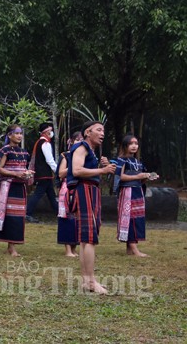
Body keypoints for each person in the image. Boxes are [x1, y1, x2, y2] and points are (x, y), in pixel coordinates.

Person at [69, 120, 116, 294]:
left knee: (86, 238)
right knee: (89, 237)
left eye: (103, 130)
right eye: (99, 130)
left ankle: (87, 280)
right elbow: (77, 170)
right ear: (88, 132)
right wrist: (102, 171)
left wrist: (101, 167)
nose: (102, 133)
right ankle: (90, 282)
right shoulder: (82, 147)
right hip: (85, 190)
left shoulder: (91, 151)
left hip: (91, 191)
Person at [113, 134, 156, 257]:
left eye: (136, 143)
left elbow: (140, 179)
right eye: (131, 143)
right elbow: (120, 177)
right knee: (129, 218)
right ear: (125, 146)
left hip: (137, 191)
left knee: (137, 218)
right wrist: (138, 176)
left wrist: (147, 177)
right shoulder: (121, 160)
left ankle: (130, 249)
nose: (134, 146)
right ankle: (135, 249)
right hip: (127, 192)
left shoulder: (138, 162)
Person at [0, 124, 34, 257]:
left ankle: (11, 246)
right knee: (10, 216)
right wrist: (16, 174)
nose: (19, 136)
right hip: (9, 187)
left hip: (20, 187)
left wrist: (27, 173)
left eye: (20, 133)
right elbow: (0, 168)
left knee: (19, 216)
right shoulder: (5, 151)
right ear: (9, 135)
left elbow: (25, 168)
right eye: (16, 133)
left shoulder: (24, 152)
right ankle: (12, 247)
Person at [56, 131, 82, 257]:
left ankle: (74, 248)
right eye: (78, 139)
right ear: (71, 141)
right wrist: (73, 166)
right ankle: (67, 250)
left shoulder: (85, 155)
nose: (80, 142)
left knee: (78, 219)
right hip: (68, 188)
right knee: (67, 218)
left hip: (80, 188)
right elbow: (60, 173)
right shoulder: (66, 156)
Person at [26, 122, 58, 223]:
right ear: (46, 131)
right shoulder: (45, 143)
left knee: (51, 195)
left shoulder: (39, 142)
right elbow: (50, 160)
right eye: (50, 130)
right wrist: (58, 171)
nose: (52, 132)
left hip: (43, 174)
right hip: (44, 174)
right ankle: (27, 213)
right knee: (38, 194)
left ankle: (60, 214)